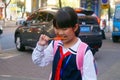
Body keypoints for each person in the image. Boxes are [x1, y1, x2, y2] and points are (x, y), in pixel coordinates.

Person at [32, 6, 97, 80]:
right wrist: (40, 46)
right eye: (56, 28)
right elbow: (39, 61)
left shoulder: (84, 52)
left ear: (75, 27)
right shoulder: (55, 45)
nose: (59, 32)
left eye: (64, 29)